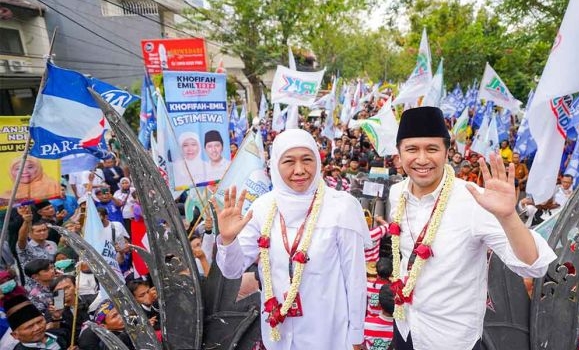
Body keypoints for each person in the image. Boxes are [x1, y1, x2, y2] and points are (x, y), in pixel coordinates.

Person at [388, 107, 556, 350]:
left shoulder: (473, 200)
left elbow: (535, 265)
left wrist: (508, 216)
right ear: (399, 154)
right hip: (405, 327)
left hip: (451, 340)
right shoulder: (397, 194)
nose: (422, 159)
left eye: (432, 149)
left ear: (447, 151)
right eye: (412, 149)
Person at [214, 129, 369, 349]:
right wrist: (228, 241)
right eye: (289, 161)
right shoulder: (262, 207)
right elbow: (232, 270)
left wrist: (356, 336)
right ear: (275, 164)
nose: (299, 170)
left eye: (307, 160)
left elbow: (355, 280)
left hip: (328, 336)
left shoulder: (341, 207)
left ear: (318, 161)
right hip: (278, 336)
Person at [4, 294, 72, 349]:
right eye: (29, 327)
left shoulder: (62, 334)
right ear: (15, 335)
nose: (37, 328)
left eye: (39, 321)